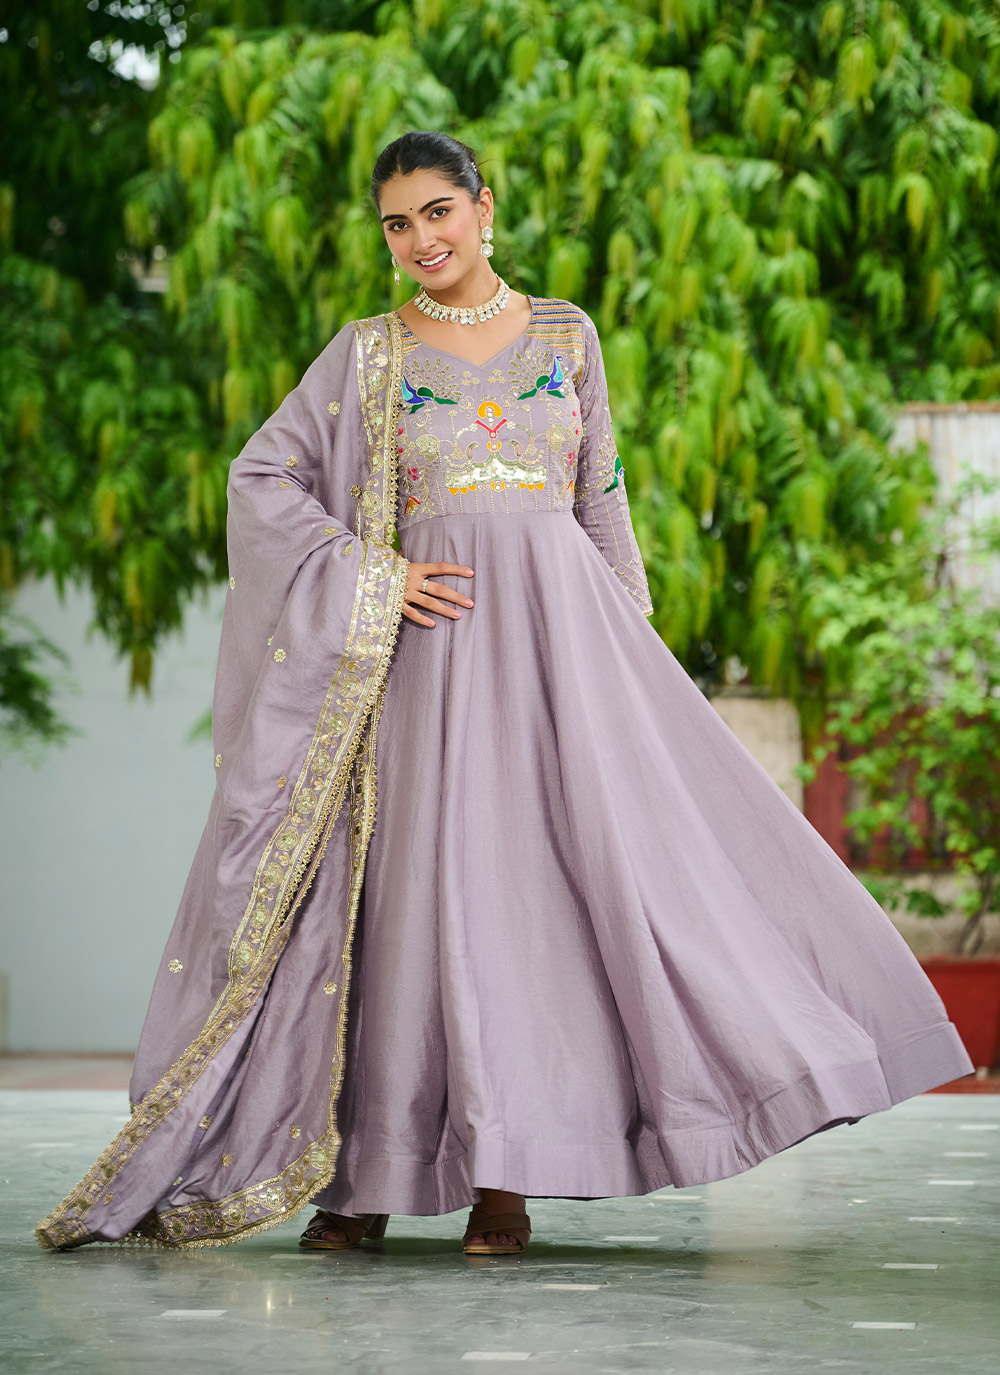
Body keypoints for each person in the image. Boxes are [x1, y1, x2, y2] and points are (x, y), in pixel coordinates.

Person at [35, 130, 973, 1258]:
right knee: (408, 901)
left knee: (540, 904)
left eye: (437, 211)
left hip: (561, 660)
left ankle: (505, 1176)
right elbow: (261, 476)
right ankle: (363, 1178)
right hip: (423, 668)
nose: (419, 238)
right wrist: (375, 573)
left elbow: (601, 498)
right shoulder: (367, 353)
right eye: (397, 223)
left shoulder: (568, 336)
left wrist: (625, 661)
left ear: (483, 206)